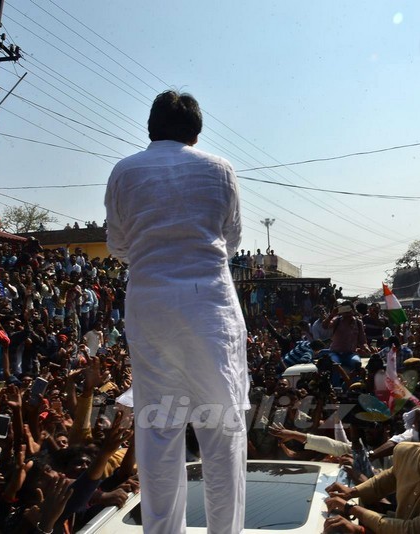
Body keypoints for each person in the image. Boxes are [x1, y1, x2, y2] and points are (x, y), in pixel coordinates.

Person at [104, 90, 248, 534]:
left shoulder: (124, 172)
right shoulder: (220, 169)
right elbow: (233, 238)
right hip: (211, 310)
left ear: (150, 129)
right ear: (196, 132)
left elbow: (118, 245)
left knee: (160, 430)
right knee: (222, 433)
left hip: (150, 308)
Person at [324, 404, 420, 533]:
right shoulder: (405, 452)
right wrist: (353, 492)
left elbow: (410, 530)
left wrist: (351, 508)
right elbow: (390, 478)